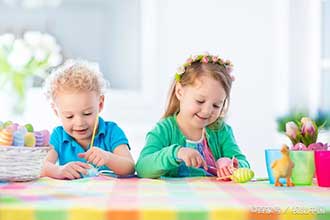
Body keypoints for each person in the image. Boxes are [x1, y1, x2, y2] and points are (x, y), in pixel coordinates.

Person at [136, 53, 249, 179]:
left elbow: (245, 165)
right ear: (180, 92)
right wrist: (175, 153)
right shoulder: (164, 130)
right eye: (200, 101)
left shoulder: (221, 131)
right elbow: (142, 167)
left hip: (214, 198)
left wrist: (233, 165)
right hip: (174, 198)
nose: (207, 111)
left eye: (216, 105)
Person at [41, 59, 135, 180]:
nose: (79, 123)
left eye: (87, 113)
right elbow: (40, 166)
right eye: (69, 116)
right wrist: (59, 170)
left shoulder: (112, 132)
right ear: (55, 111)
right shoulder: (58, 136)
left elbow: (130, 167)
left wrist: (108, 158)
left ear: (100, 104)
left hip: (108, 196)